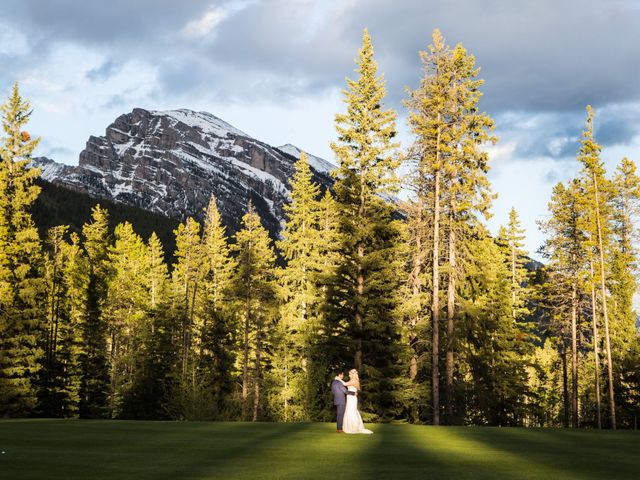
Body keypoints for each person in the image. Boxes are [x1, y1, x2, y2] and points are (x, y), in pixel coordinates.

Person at [342, 369, 373, 434]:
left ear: (353, 374)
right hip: (351, 397)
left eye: (350, 374)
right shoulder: (354, 381)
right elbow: (356, 390)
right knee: (351, 410)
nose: (349, 375)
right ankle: (351, 427)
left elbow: (344, 384)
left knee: (351, 411)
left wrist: (338, 379)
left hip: (351, 398)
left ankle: (352, 428)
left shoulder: (353, 381)